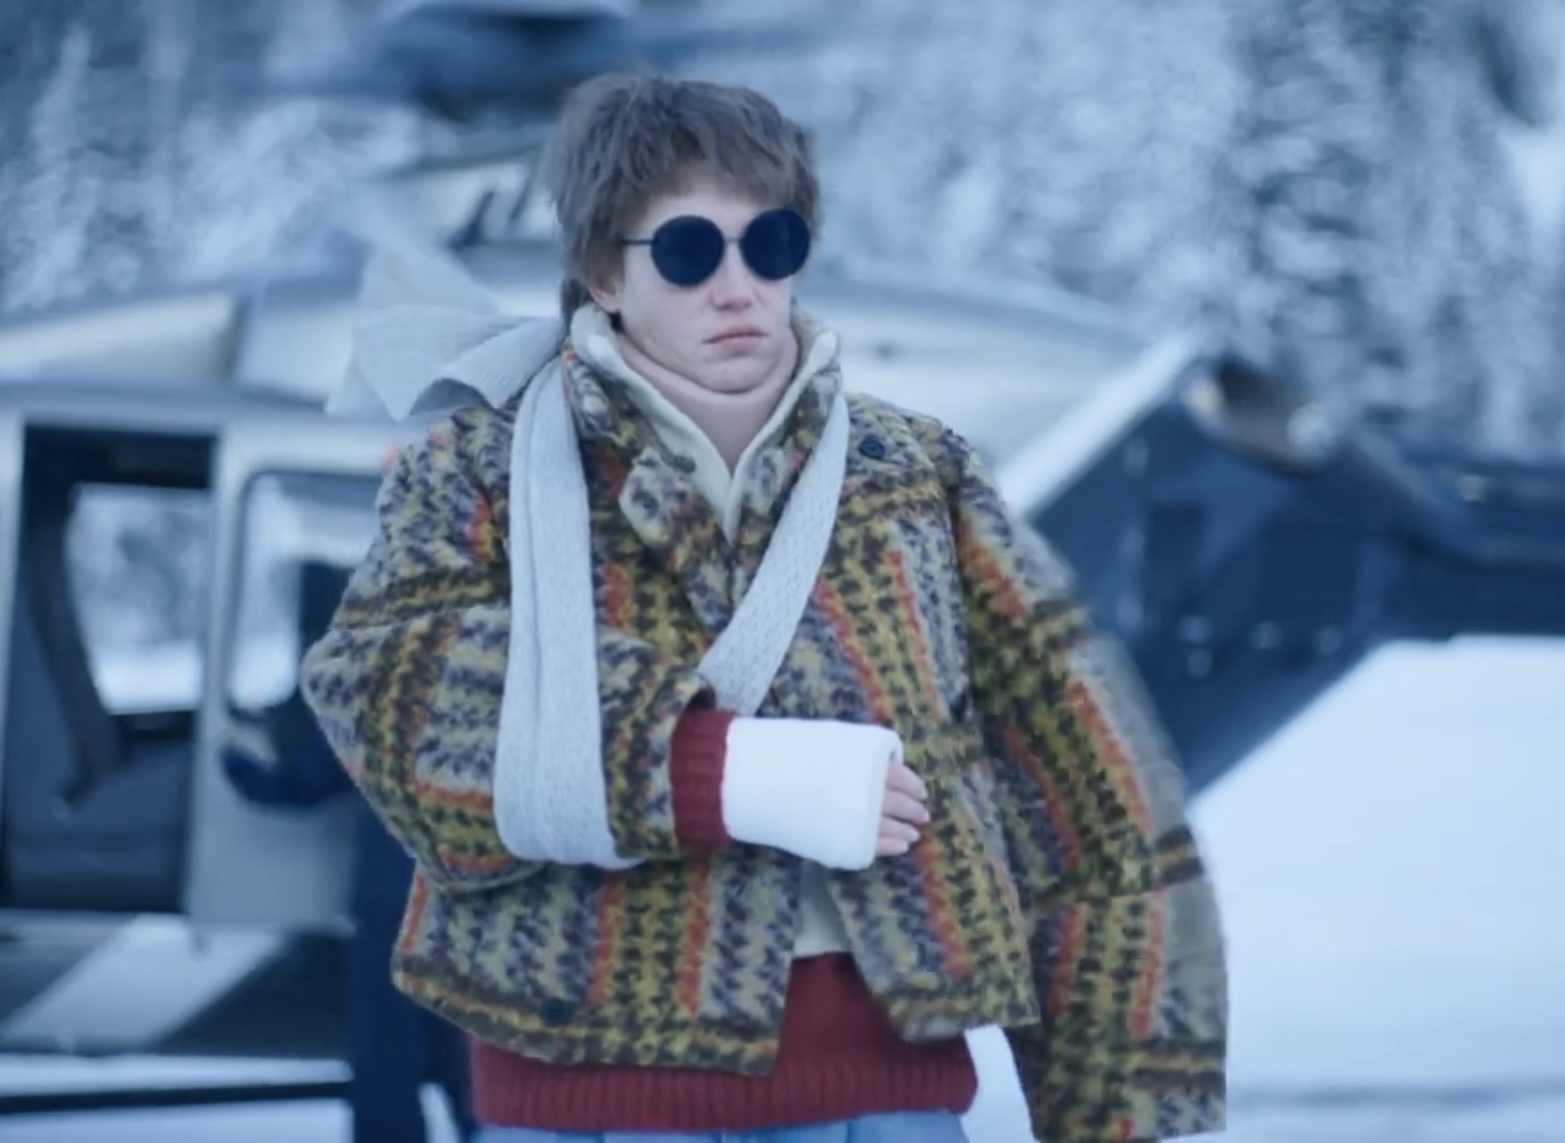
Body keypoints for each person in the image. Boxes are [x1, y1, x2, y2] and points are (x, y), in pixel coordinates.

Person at [301, 72, 1228, 1143]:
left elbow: (1083, 794)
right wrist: (722, 772)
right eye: (689, 252)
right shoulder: (475, 471)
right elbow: (384, 687)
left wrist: (1120, 1107)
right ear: (603, 273)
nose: (737, 287)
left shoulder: (917, 476)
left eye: (770, 244)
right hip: (587, 1103)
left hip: (883, 1101)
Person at [223, 559, 478, 1143]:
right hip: (471, 899)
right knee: (464, 1052)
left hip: (392, 901)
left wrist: (234, 768)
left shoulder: (376, 684)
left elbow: (309, 779)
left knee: (386, 1053)